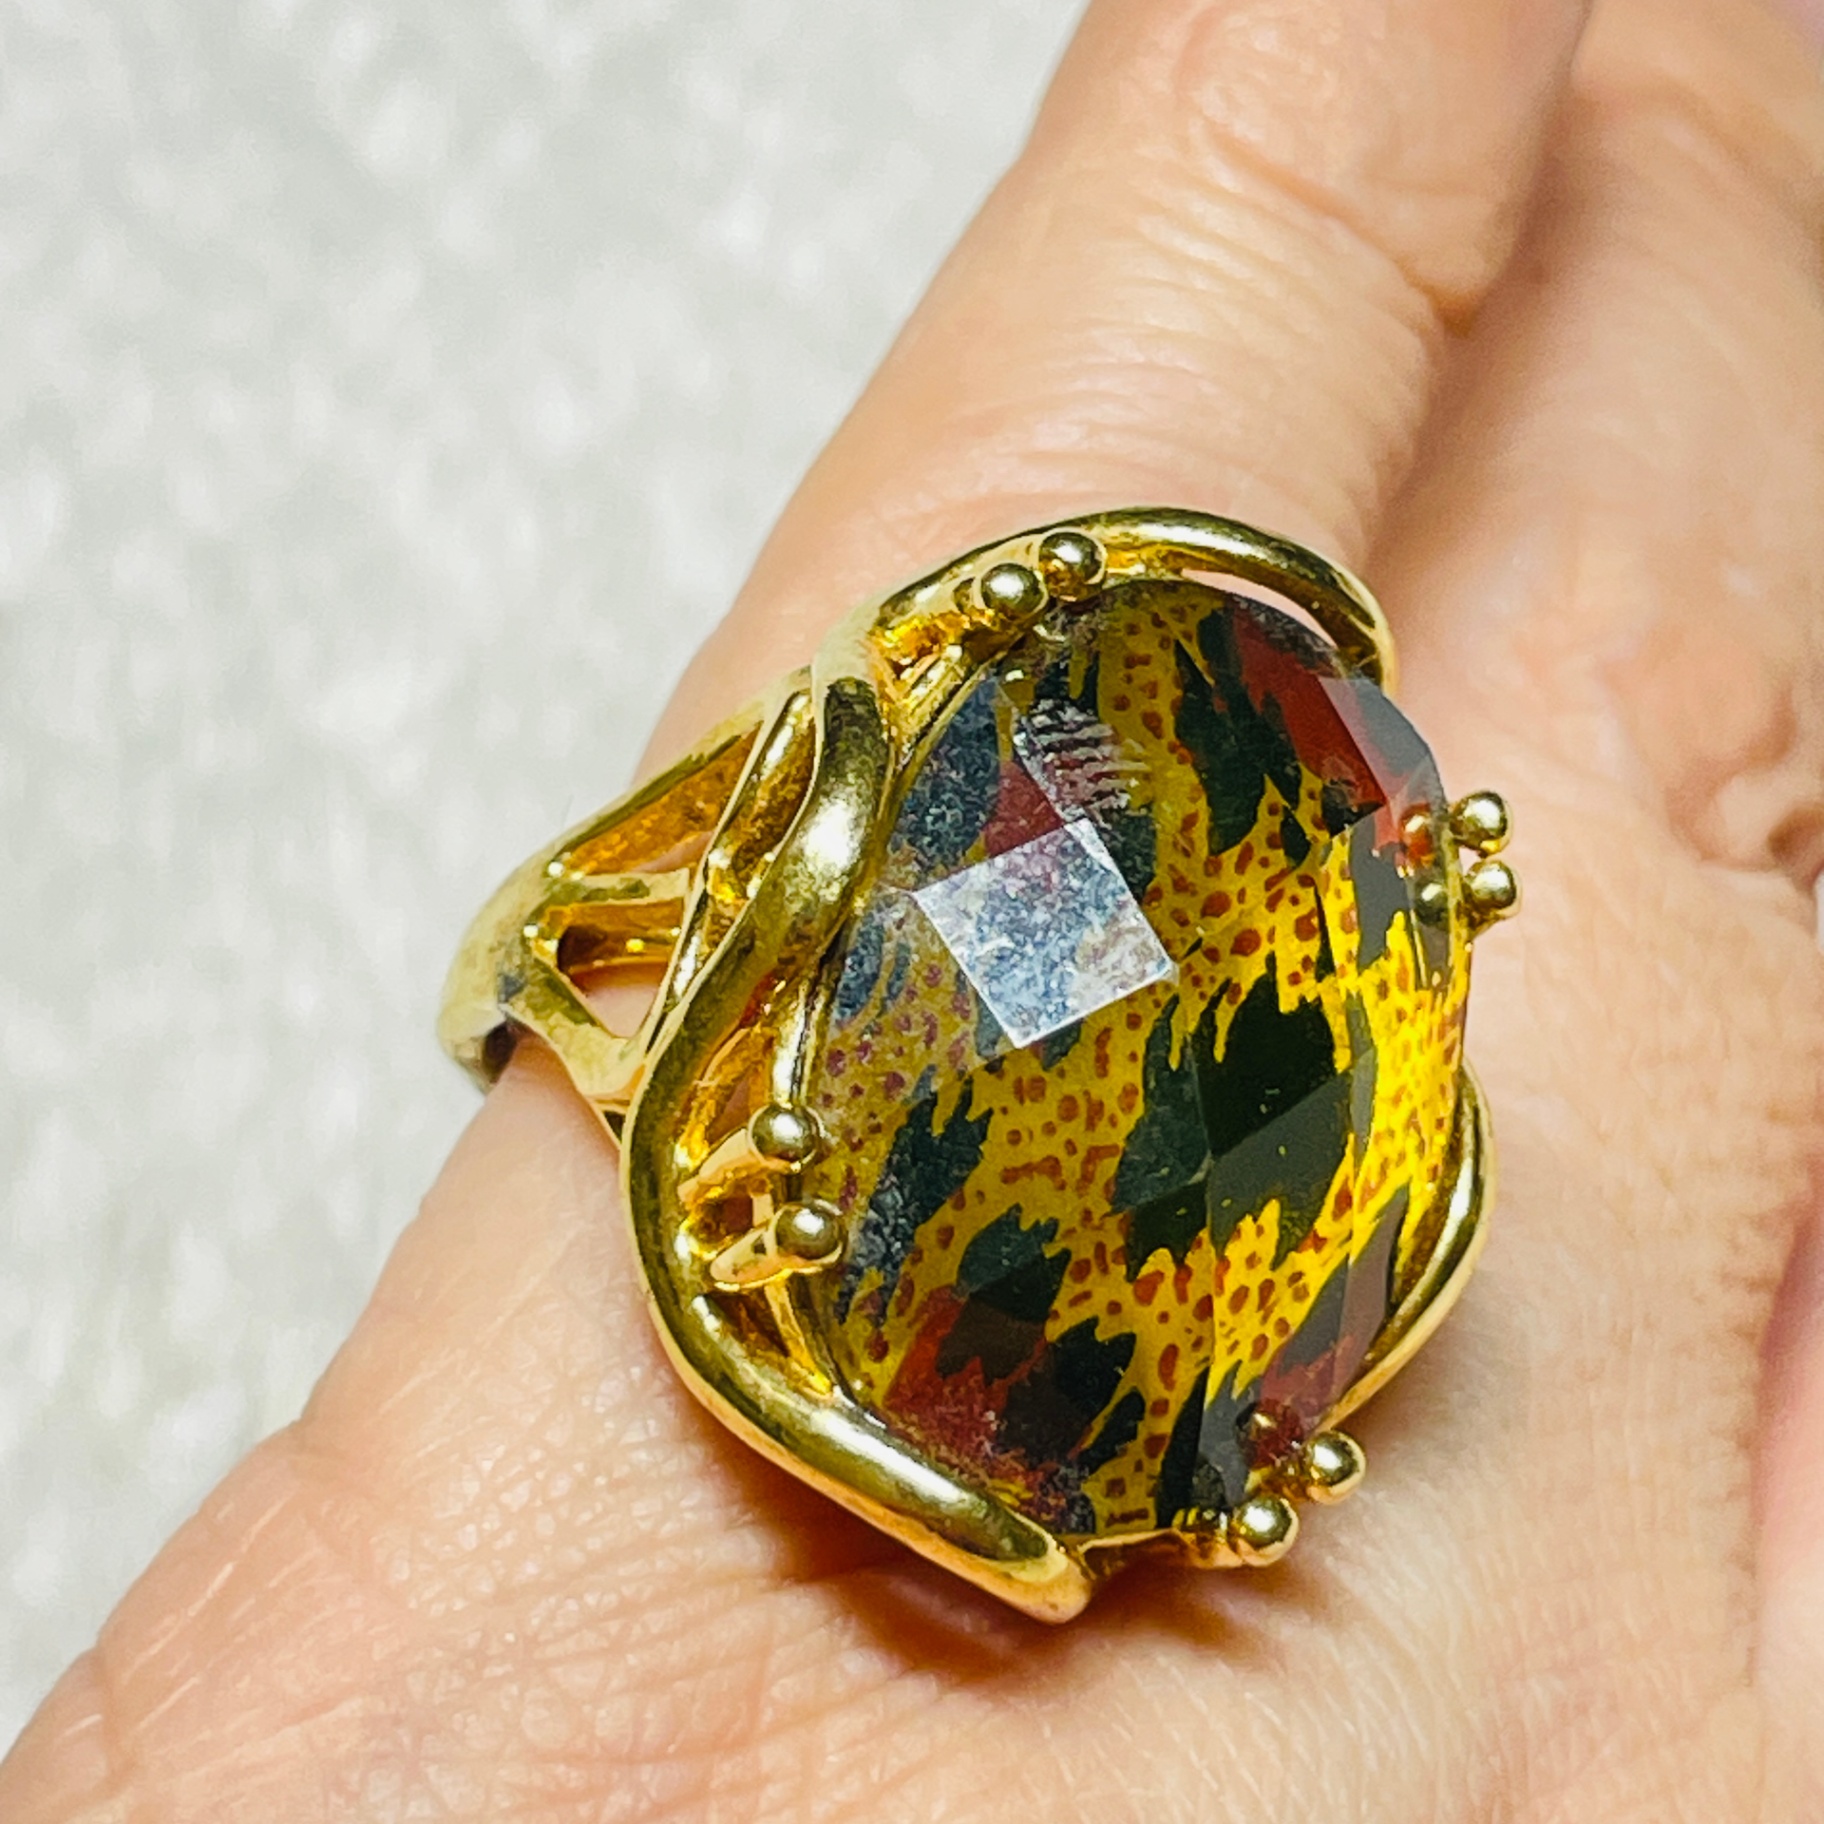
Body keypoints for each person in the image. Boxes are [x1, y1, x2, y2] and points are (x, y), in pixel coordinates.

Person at [6, 0, 1824, 1814]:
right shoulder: (1006, 908)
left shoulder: (1268, 946)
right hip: (923, 1164)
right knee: (1062, 941)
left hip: (1082, 1204)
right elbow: (1051, 957)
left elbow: (1160, 983)